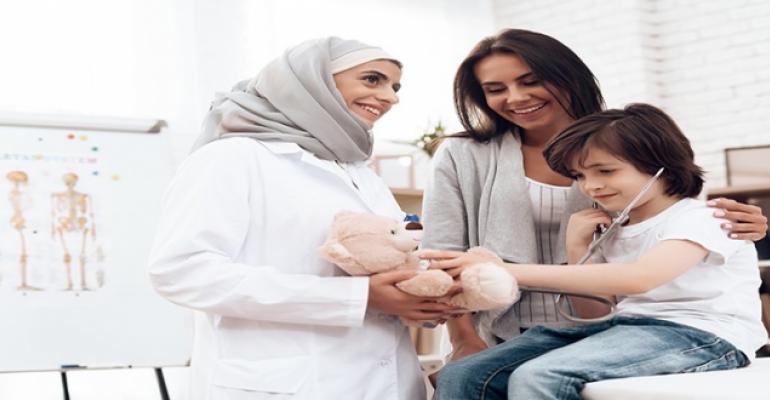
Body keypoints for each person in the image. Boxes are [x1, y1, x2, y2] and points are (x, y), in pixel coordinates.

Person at [420, 28, 769, 359]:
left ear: (568, 77)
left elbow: (672, 214)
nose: (515, 97)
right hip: (499, 332)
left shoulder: (623, 139)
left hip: (609, 326)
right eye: (496, 89)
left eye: (531, 81)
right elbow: (443, 254)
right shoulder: (462, 154)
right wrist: (464, 340)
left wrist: (742, 226)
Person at [148, 37, 457, 400]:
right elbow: (181, 272)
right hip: (281, 384)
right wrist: (357, 298)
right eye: (373, 80)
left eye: (395, 86)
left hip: (386, 383)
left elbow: (381, 261)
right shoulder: (232, 157)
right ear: (313, 81)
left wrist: (417, 296)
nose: (390, 97)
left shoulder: (359, 171)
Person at [424, 103, 767, 399]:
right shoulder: (613, 228)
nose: (592, 186)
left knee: (541, 375)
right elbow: (593, 314)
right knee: (464, 374)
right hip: (626, 329)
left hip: (705, 335)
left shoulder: (704, 218)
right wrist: (577, 248)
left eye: (605, 171)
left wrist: (501, 269)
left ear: (663, 166)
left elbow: (640, 278)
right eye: (580, 175)